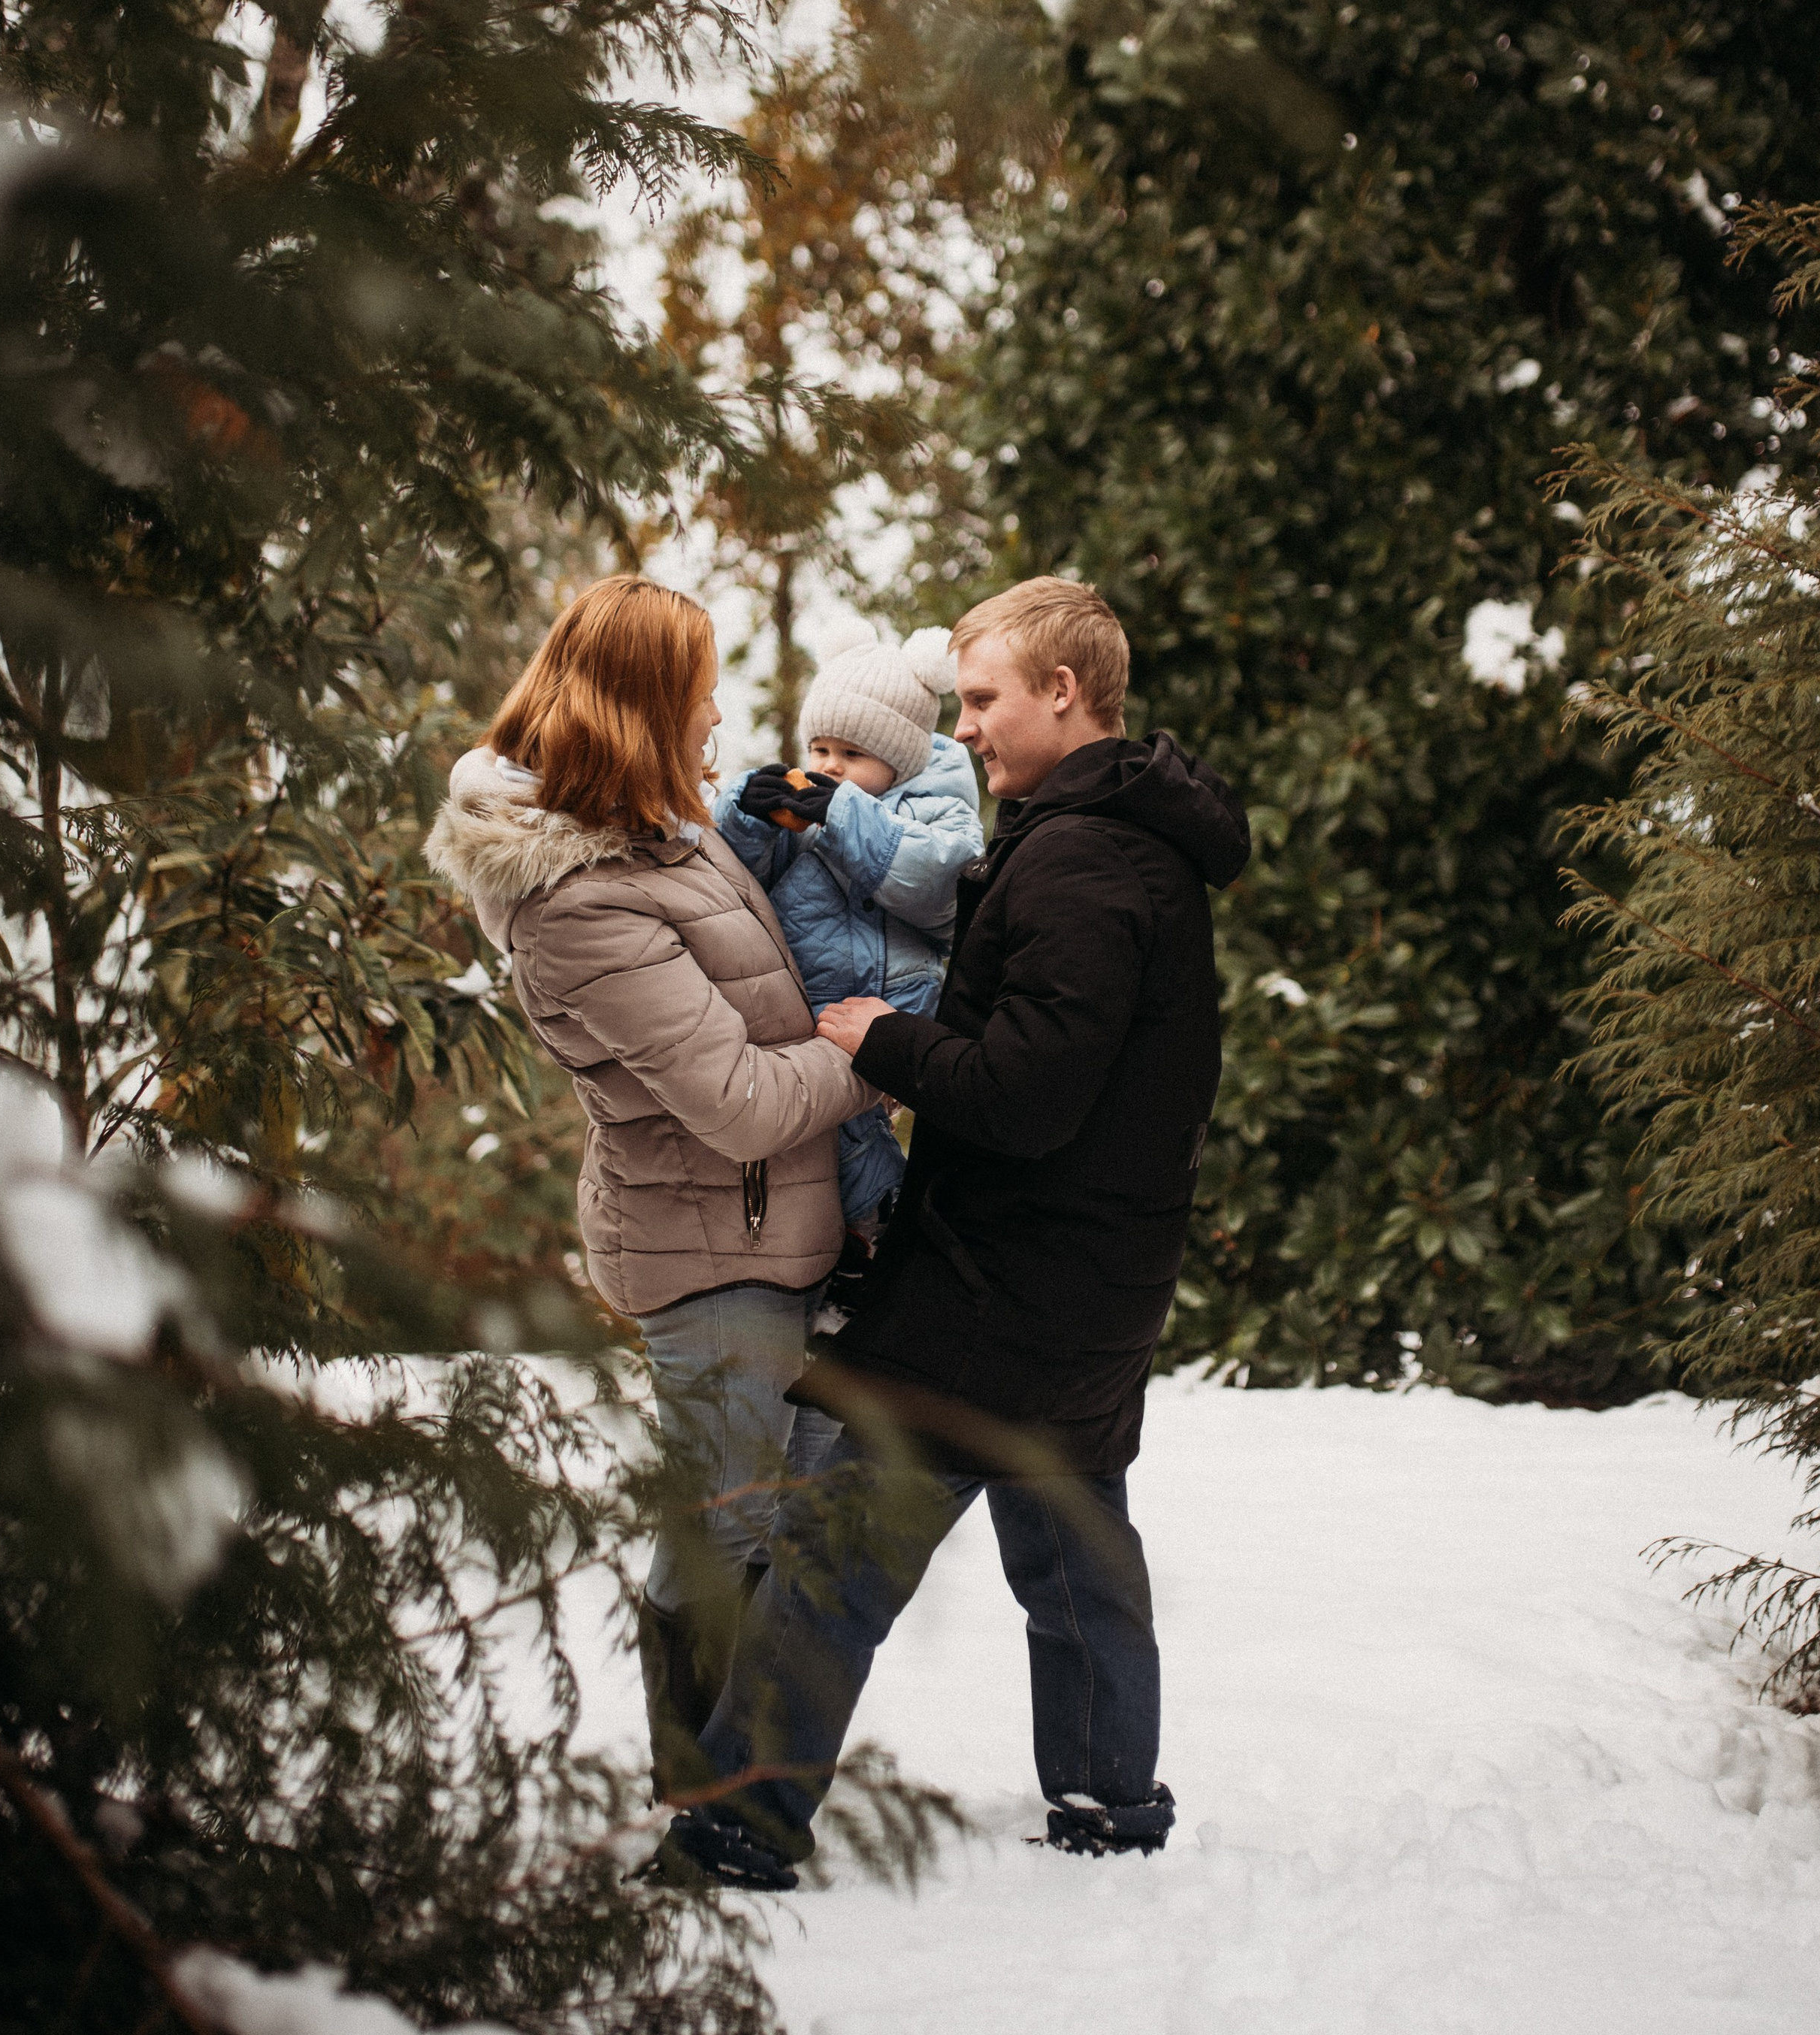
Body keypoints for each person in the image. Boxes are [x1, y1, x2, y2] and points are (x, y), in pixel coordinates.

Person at [665, 577, 1250, 1888]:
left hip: (1005, 1281)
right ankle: (1108, 1799)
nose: (965, 729)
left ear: (1063, 692)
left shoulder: (1088, 859)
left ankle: (735, 1825)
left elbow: (1032, 1089)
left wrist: (886, 1038)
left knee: (835, 1546)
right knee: (1070, 1535)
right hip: (1095, 1276)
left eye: (983, 701)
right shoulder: (1114, 837)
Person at [424, 573, 872, 1792]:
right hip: (709, 1246)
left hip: (777, 1228)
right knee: (724, 1520)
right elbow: (732, 1101)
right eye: (700, 692)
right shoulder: (574, 900)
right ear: (643, 707)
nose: (718, 715)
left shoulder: (661, 834)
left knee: (776, 1517)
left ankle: (750, 1773)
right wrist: (869, 1053)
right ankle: (700, 1784)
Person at [711, 619, 984, 1320]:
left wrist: (844, 814)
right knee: (815, 1133)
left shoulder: (935, 806)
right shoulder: (815, 800)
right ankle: (856, 1255)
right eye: (820, 748)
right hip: (811, 1006)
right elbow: (738, 879)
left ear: (899, 757)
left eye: (853, 753)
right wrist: (750, 814)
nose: (830, 765)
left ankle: (887, 1227)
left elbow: (936, 882)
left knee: (851, 1126)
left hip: (889, 1003)